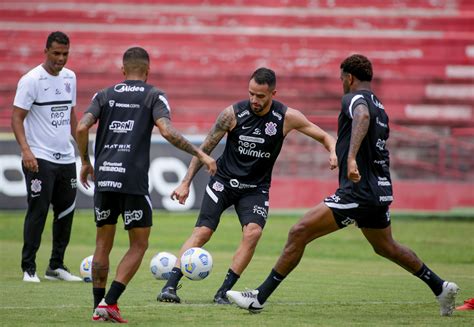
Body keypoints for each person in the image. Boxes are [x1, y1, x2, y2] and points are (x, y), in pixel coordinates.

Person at [226, 54, 460, 317]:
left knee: (299, 232)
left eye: (341, 79)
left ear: (349, 78)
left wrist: (349, 158)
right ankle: (441, 286)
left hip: (357, 191)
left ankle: (259, 297)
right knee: (386, 246)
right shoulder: (379, 106)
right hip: (379, 189)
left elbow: (360, 117)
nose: (341, 84)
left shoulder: (354, 99)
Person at [157, 67, 337, 305]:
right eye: (251, 93)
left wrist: (333, 152)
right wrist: (186, 182)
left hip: (255, 189)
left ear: (273, 93)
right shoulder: (232, 114)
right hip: (222, 182)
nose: (254, 100)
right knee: (203, 232)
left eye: (261, 96)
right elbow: (205, 150)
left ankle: (223, 292)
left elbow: (325, 136)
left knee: (253, 233)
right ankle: (170, 286)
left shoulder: (287, 117)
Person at [76, 47, 216, 323]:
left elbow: (81, 127)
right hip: (132, 180)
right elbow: (166, 130)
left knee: (102, 244)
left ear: (122, 70)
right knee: (139, 244)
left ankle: (98, 306)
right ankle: (110, 302)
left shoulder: (104, 95)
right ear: (148, 70)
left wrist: (85, 161)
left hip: (104, 178)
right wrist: (199, 153)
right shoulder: (154, 95)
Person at [11, 31, 82, 283]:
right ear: (46, 52)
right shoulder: (31, 80)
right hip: (39, 157)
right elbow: (16, 118)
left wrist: (83, 154)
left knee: (66, 212)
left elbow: (72, 117)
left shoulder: (70, 78)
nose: (60, 59)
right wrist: (26, 150)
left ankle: (56, 266)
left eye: (65, 54)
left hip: (65, 158)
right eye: (56, 53)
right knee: (38, 210)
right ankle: (29, 268)